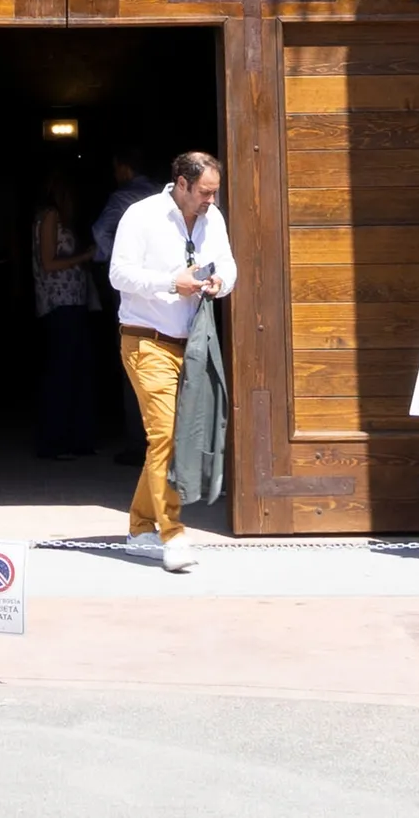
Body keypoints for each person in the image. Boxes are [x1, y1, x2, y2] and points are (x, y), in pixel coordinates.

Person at [109, 149, 238, 572]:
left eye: (214, 193)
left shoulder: (211, 218)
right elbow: (119, 274)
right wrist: (171, 282)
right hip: (147, 341)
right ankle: (173, 533)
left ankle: (141, 527)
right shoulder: (141, 216)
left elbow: (229, 263)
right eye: (204, 192)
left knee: (172, 438)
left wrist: (220, 282)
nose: (211, 202)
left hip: (194, 343)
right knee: (166, 436)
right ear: (181, 184)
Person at [28, 175, 105, 459]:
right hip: (60, 303)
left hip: (74, 302)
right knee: (63, 372)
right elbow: (48, 262)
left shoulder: (57, 218)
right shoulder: (49, 216)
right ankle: (54, 442)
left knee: (79, 370)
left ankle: (77, 439)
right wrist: (83, 257)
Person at [90, 149, 154, 463]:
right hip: (167, 284)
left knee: (132, 357)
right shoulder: (161, 195)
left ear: (124, 167)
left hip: (129, 287)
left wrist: (112, 263)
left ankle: (136, 444)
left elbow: (100, 231)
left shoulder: (122, 198)